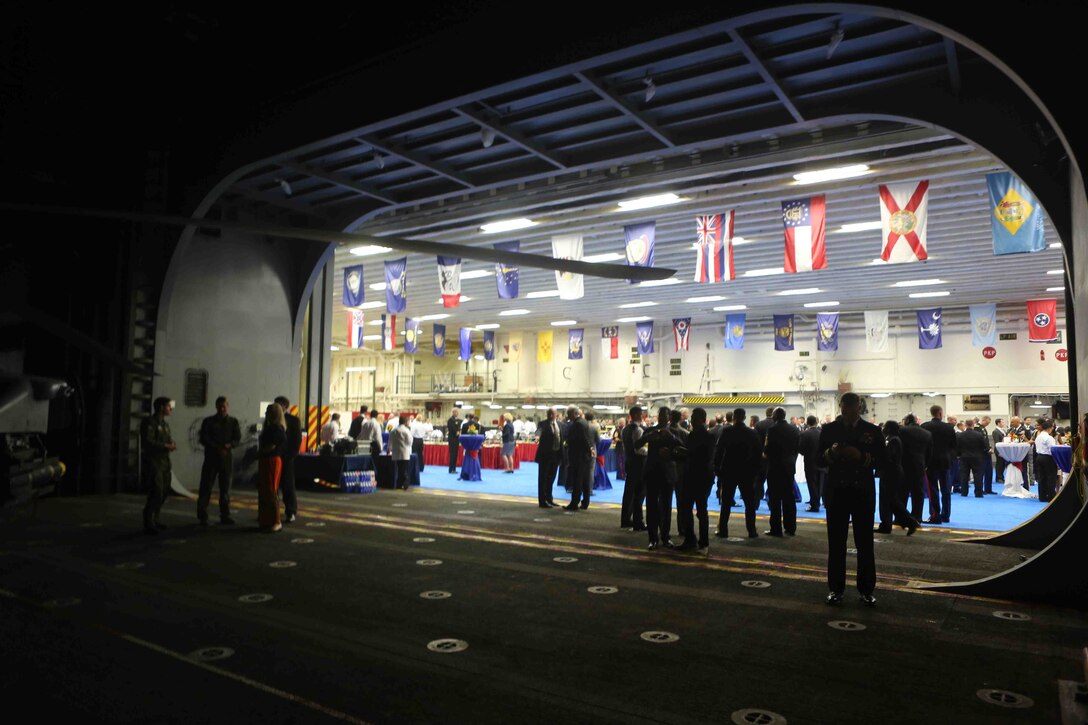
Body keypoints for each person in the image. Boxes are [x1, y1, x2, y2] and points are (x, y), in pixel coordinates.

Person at [818, 393, 885, 607]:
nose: (846, 410)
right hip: (837, 491)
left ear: (859, 407)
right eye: (843, 406)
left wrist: (861, 457)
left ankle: (866, 589)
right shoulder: (829, 430)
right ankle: (836, 589)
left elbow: (883, 461)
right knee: (836, 543)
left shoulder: (872, 431)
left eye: (850, 406)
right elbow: (818, 459)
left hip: (862, 493)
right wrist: (832, 452)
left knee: (864, 543)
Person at [636, 406, 686, 549]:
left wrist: (671, 446)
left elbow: (683, 449)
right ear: (658, 416)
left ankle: (665, 536)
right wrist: (647, 437)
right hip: (652, 472)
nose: (664, 417)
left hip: (668, 473)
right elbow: (636, 445)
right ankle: (652, 538)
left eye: (666, 415)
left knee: (666, 506)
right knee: (651, 506)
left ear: (670, 417)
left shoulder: (674, 432)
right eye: (661, 415)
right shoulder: (651, 430)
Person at [714, 407, 761, 539]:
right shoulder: (752, 433)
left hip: (729, 470)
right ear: (745, 417)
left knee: (726, 502)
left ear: (733, 417)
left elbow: (719, 451)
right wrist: (755, 470)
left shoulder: (726, 431)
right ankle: (751, 530)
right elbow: (758, 453)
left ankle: (723, 529)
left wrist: (717, 467)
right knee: (749, 503)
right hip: (747, 471)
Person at [197, 395, 241, 526]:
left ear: (228, 406)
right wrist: (217, 448)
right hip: (211, 458)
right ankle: (202, 515)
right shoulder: (208, 422)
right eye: (220, 406)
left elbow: (237, 438)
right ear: (216, 407)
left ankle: (225, 515)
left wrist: (229, 445)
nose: (222, 409)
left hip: (226, 459)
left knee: (225, 489)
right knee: (206, 487)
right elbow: (204, 439)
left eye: (224, 406)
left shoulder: (233, 422)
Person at [676, 408, 714, 553]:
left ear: (702, 419)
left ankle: (702, 542)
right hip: (694, 476)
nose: (692, 419)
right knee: (690, 509)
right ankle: (692, 540)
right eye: (692, 417)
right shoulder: (696, 435)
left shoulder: (706, 436)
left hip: (699, 477)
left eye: (695, 417)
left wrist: (684, 453)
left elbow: (701, 457)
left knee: (699, 511)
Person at [875, 421, 919, 535]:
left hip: (891, 473)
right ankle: (887, 524)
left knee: (891, 500)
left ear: (889, 428)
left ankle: (910, 521)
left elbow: (890, 457)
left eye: (885, 427)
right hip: (891, 472)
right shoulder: (893, 438)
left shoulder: (893, 440)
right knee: (888, 500)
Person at [141, 396, 177, 535]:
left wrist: (171, 444)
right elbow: (148, 442)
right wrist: (166, 445)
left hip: (164, 462)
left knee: (164, 491)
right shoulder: (149, 422)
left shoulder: (165, 425)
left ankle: (156, 519)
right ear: (161, 407)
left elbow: (167, 440)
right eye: (168, 406)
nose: (170, 408)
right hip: (153, 462)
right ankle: (148, 522)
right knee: (156, 491)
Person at [763, 407, 800, 537]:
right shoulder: (794, 429)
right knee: (789, 498)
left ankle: (776, 529)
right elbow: (797, 448)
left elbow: (768, 450)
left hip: (775, 468)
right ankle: (791, 528)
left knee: (775, 499)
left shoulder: (772, 430)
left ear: (775, 416)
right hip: (789, 467)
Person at [921, 405, 957, 524]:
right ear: (941, 413)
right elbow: (954, 446)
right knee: (946, 489)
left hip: (931, 461)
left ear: (932, 413)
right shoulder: (949, 428)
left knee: (933, 489)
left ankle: (935, 515)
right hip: (945, 461)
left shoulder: (925, 426)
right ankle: (946, 515)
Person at [257, 403, 287, 532]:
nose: (266, 415)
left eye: (268, 412)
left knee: (271, 490)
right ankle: (266, 519)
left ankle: (276, 521)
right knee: (264, 490)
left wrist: (259, 453)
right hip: (266, 459)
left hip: (272, 460)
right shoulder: (270, 428)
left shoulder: (277, 429)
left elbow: (272, 446)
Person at [899, 414, 932, 522]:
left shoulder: (902, 431)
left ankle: (901, 517)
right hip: (919, 465)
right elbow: (929, 453)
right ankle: (917, 517)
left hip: (904, 465)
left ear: (907, 420)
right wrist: (925, 465)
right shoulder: (927, 433)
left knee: (902, 492)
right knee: (918, 492)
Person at [275, 396, 303, 523]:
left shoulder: (293, 420)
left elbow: (297, 439)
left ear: (285, 406)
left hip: (286, 458)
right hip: (273, 457)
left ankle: (290, 511)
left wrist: (291, 455)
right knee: (272, 486)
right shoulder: (272, 419)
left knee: (288, 485)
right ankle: (271, 512)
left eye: (278, 405)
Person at [620, 406, 647, 530]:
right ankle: (638, 520)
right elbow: (639, 449)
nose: (642, 416)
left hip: (629, 462)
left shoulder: (625, 429)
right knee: (639, 494)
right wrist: (649, 451)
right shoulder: (638, 430)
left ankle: (625, 519)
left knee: (629, 492)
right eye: (641, 414)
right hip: (638, 464)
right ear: (636, 415)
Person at [564, 407, 595, 511]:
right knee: (585, 480)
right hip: (585, 456)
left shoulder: (578, 424)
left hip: (578, 456)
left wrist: (588, 449)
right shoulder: (585, 422)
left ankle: (574, 503)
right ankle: (585, 502)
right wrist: (590, 450)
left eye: (568, 414)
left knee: (577, 480)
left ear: (573, 413)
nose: (567, 416)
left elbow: (583, 439)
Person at [534, 408, 561, 508]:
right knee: (543, 479)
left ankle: (549, 499)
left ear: (556, 414)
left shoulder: (560, 424)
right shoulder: (542, 424)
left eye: (552, 414)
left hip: (556, 455)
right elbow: (538, 431)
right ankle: (542, 501)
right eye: (549, 414)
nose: (550, 416)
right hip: (545, 456)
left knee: (551, 478)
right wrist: (537, 436)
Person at [957, 419, 990, 498]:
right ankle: (978, 493)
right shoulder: (979, 435)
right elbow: (985, 446)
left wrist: (959, 455)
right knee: (978, 475)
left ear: (965, 425)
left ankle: (964, 492)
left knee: (964, 475)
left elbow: (957, 447)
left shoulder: (960, 435)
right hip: (977, 457)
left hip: (964, 457)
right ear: (973, 425)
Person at [798, 415, 824, 512]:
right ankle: (817, 501)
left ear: (807, 423)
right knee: (820, 483)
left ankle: (815, 504)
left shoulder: (805, 434)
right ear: (816, 422)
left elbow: (800, 448)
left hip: (810, 462)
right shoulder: (822, 433)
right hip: (821, 461)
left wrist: (806, 453)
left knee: (811, 483)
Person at [1034, 419, 1058, 502]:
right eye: (1052, 428)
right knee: (1051, 477)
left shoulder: (1038, 436)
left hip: (1039, 457)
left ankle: (1042, 496)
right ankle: (1051, 496)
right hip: (1048, 458)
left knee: (1042, 477)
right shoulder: (1049, 437)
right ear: (1049, 428)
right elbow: (1053, 450)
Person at [391, 415, 413, 490]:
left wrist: (389, 449)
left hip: (396, 453)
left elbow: (390, 442)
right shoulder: (407, 431)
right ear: (405, 422)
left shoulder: (394, 430)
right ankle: (405, 483)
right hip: (404, 453)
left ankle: (398, 484)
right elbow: (410, 442)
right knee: (404, 469)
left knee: (399, 469)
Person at [978, 416, 994, 494]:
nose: (987, 425)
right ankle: (980, 489)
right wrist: (987, 449)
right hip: (981, 453)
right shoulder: (977, 428)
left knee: (989, 471)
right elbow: (980, 441)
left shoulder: (983, 428)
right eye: (987, 423)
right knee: (981, 472)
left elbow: (986, 441)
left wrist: (990, 448)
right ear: (983, 420)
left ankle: (988, 488)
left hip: (987, 453)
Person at [991, 418, 1007, 484]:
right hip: (999, 450)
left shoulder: (1003, 430)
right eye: (1002, 422)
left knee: (1002, 464)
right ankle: (999, 477)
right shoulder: (995, 431)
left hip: (1004, 449)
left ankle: (1001, 477)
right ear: (998, 423)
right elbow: (996, 442)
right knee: (999, 464)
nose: (1004, 423)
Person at [446, 408, 461, 473]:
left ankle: (454, 468)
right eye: (457, 412)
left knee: (455, 454)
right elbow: (452, 429)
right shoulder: (450, 420)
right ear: (454, 412)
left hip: (456, 439)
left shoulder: (457, 420)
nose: (457, 413)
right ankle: (451, 469)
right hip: (452, 439)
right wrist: (457, 432)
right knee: (452, 454)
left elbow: (458, 428)